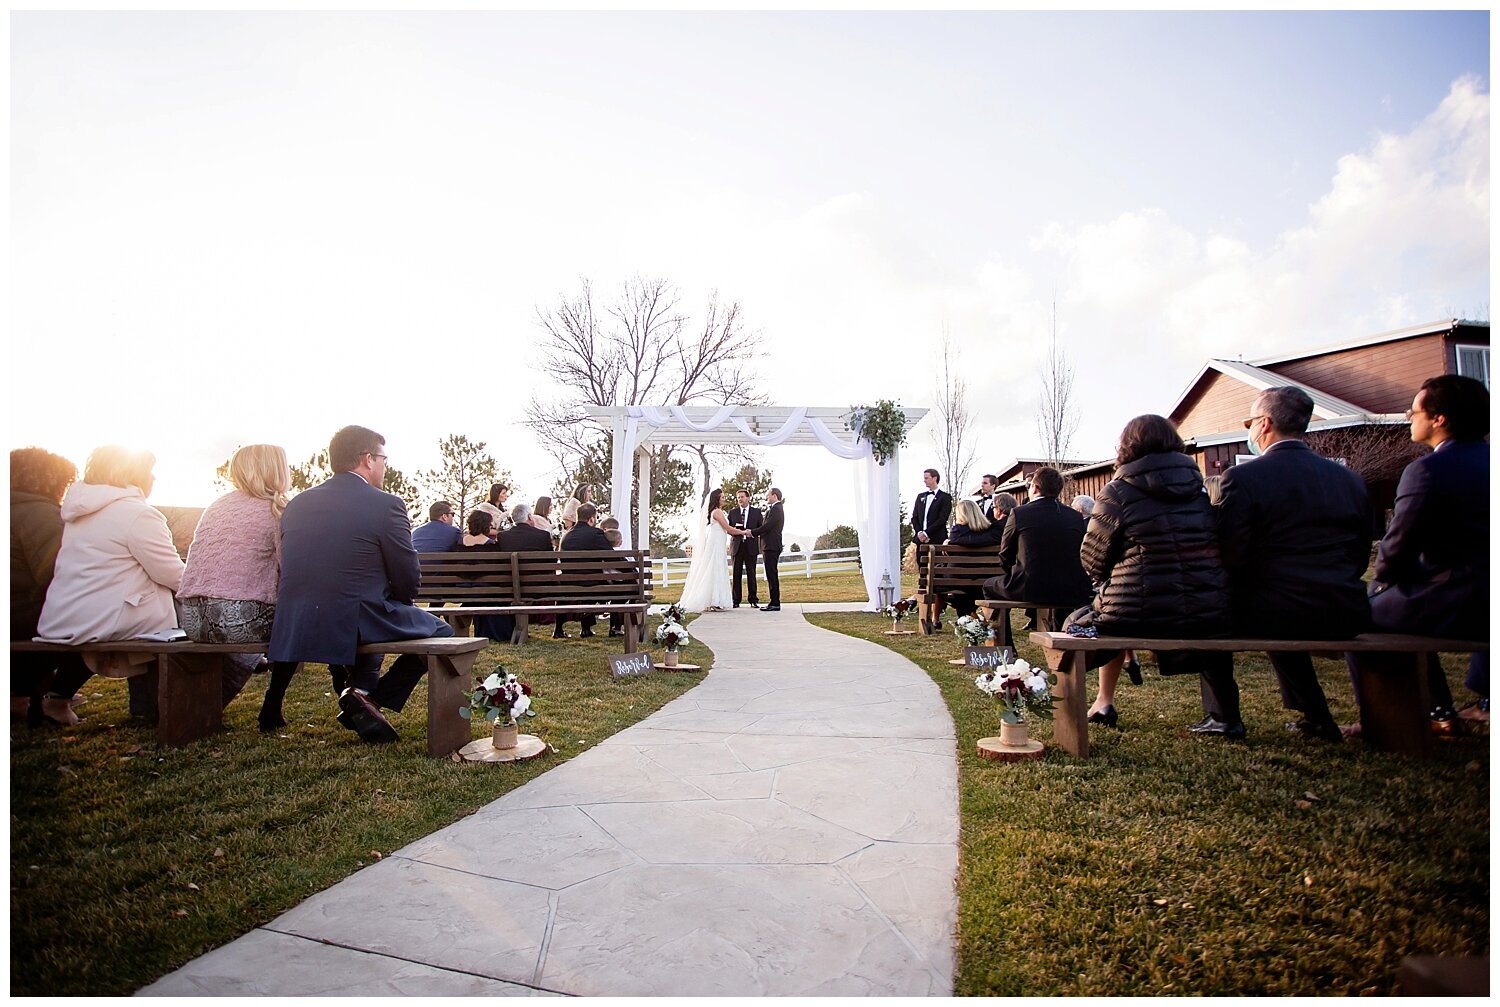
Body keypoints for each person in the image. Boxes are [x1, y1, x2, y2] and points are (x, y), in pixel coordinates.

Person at [265, 426, 453, 744]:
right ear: (367, 459)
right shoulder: (386, 504)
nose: (384, 466)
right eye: (383, 459)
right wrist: (401, 600)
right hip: (354, 614)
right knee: (443, 632)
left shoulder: (297, 504)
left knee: (373, 610)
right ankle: (369, 700)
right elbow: (408, 575)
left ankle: (361, 694)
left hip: (296, 617)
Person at [1207, 386, 1372, 743]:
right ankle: (1316, 717)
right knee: (1280, 611)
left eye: (1249, 421)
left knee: (1210, 612)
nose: (1249, 429)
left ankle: (1222, 716)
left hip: (1272, 609)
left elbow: (1230, 552)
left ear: (1264, 424)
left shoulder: (1245, 478)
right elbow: (1360, 552)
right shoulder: (1348, 478)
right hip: (1345, 607)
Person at [1077, 416, 1233, 728]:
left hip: (1138, 612)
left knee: (1083, 622)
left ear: (1127, 447)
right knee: (1207, 624)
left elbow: (1092, 559)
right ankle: (1227, 717)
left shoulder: (1117, 491)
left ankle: (1101, 702)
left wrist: (1114, 576)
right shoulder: (1200, 490)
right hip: (1206, 609)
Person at [1367, 375, 1489, 726]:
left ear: (1440, 419)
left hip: (1460, 598)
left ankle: (1428, 712)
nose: (1409, 417)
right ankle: (1485, 701)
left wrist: (1381, 584)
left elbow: (1399, 543)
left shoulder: (1427, 471)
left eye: (1414, 410)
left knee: (1360, 614)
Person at [36, 446, 186, 723]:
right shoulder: (138, 514)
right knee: (178, 620)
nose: (154, 478)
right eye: (150, 472)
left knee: (149, 615)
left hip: (66, 612)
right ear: (135, 474)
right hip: (108, 617)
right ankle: (154, 707)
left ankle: (58, 697)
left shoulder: (79, 513)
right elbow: (173, 574)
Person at [179, 444, 290, 716]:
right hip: (238, 620)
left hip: (192, 620)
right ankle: (274, 704)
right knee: (301, 615)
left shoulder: (216, 507)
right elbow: (291, 571)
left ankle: (203, 707)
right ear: (276, 469)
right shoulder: (276, 509)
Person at [981, 466, 1093, 652]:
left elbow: (1005, 553)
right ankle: (1061, 639)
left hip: (1029, 586)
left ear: (1035, 488)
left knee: (989, 586)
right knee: (1060, 592)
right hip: (1071, 588)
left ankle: (1007, 646)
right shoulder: (1074, 516)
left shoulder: (1020, 513)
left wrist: (1013, 573)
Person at [11, 447, 83, 725]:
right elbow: (55, 574)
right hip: (22, 614)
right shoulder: (40, 514)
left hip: (16, 610)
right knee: (95, 620)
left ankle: (19, 696)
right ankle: (58, 696)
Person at [678, 488, 738, 613]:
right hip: (715, 543)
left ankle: (715, 600)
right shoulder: (716, 512)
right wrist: (744, 532)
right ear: (717, 498)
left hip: (719, 542)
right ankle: (713, 600)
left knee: (718, 568)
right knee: (714, 568)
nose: (724, 499)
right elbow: (728, 528)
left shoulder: (719, 512)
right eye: (722, 497)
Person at [557, 501, 612, 636]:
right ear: (592, 519)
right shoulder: (596, 534)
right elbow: (612, 558)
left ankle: (559, 630)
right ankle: (614, 628)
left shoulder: (566, 536)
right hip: (592, 584)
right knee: (614, 585)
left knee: (587, 579)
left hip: (568, 584)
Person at [943, 499, 1004, 619]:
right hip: (984, 577)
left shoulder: (957, 531)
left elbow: (949, 553)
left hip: (958, 577)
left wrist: (949, 541)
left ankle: (966, 618)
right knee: (968, 589)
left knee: (942, 575)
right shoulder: (989, 530)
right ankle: (970, 617)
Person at [751, 488, 786, 612]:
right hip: (769, 545)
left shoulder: (776, 509)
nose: (767, 497)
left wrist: (752, 532)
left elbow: (767, 526)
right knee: (771, 574)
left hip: (771, 545)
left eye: (768, 495)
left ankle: (775, 602)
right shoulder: (775, 508)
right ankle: (774, 601)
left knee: (772, 574)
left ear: (775, 496)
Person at [727, 489, 763, 608]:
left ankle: (753, 599)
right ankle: (736, 600)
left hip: (751, 546)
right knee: (736, 574)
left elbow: (760, 529)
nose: (740, 499)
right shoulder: (733, 513)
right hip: (737, 546)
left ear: (748, 498)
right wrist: (738, 532)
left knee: (751, 573)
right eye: (738, 498)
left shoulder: (756, 512)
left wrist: (751, 533)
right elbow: (728, 529)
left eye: (742, 497)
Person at [911, 469, 952, 546]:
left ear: (934, 478)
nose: (924, 480)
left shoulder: (945, 497)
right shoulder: (920, 496)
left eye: (926, 478)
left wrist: (926, 533)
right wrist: (920, 533)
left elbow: (942, 518)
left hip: (938, 539)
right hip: (921, 541)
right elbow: (914, 517)